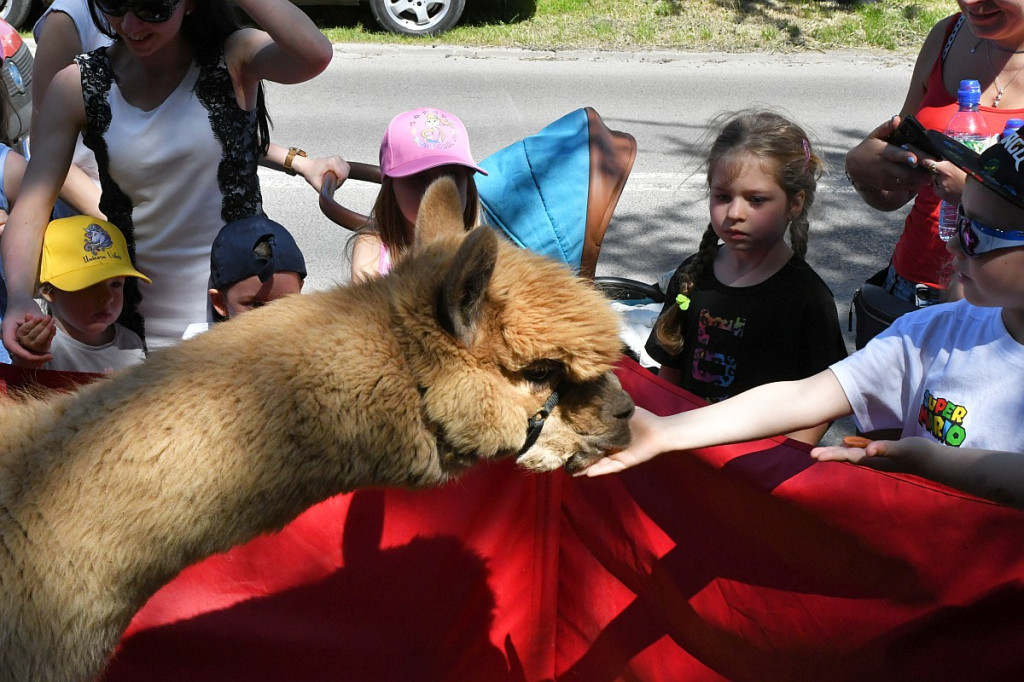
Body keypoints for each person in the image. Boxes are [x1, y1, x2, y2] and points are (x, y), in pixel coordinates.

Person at [583, 125, 1024, 492]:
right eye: (958, 219)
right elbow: (807, 395)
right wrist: (664, 431)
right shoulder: (927, 333)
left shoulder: (804, 294)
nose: (950, 242)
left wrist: (934, 461)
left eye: (977, 233)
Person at [1, 0, 334, 364]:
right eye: (113, 4)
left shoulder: (233, 55)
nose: (130, 24)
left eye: (153, 7)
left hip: (239, 317)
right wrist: (19, 297)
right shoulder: (79, 83)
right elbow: (33, 205)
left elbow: (314, 55)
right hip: (130, 335)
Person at [645, 111, 847, 445]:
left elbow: (824, 403)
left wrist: (779, 466)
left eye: (756, 200)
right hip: (692, 451)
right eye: (722, 196)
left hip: (759, 465)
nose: (735, 213)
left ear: (794, 204)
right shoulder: (692, 276)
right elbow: (671, 372)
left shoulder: (807, 298)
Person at [844, 3, 1024, 306]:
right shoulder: (948, 34)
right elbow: (895, 194)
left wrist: (975, 194)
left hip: (1004, 306)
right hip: (910, 284)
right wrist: (863, 173)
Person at [349, 106, 487, 282]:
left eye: (451, 175)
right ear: (391, 191)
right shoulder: (372, 250)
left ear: (468, 187)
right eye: (418, 178)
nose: (436, 190)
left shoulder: (482, 253)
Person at [13, 215, 148, 373]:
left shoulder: (130, 343)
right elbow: (21, 390)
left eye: (116, 284)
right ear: (48, 291)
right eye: (90, 285)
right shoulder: (42, 345)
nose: (108, 297)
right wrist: (28, 359)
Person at [181, 214, 305, 338]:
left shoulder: (315, 346)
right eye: (257, 305)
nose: (274, 320)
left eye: (286, 303)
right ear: (220, 302)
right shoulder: (197, 353)